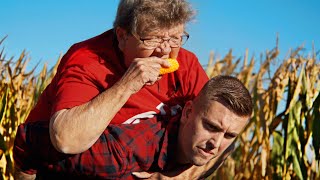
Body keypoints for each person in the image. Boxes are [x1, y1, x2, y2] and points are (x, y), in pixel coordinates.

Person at [14, 0, 209, 178]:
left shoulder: (187, 64)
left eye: (175, 38)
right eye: (152, 39)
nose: (165, 51)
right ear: (122, 36)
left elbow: (225, 126)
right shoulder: (88, 59)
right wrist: (127, 85)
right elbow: (65, 140)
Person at [14, 76, 253, 179]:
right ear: (188, 112)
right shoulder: (123, 152)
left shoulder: (204, 149)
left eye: (230, 135)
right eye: (211, 126)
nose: (216, 144)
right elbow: (27, 140)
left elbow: (224, 146)